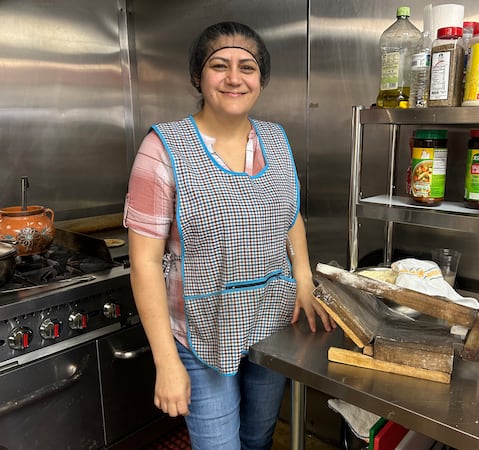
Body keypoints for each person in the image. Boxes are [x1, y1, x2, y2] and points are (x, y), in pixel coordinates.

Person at [123, 21, 335, 450]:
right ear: (198, 77)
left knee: (258, 438)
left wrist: (304, 278)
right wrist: (166, 363)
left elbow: (288, 214)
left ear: (262, 79)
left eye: (247, 67)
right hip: (201, 330)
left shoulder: (275, 139)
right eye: (219, 65)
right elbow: (144, 262)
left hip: (271, 321)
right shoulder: (163, 148)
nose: (234, 78)